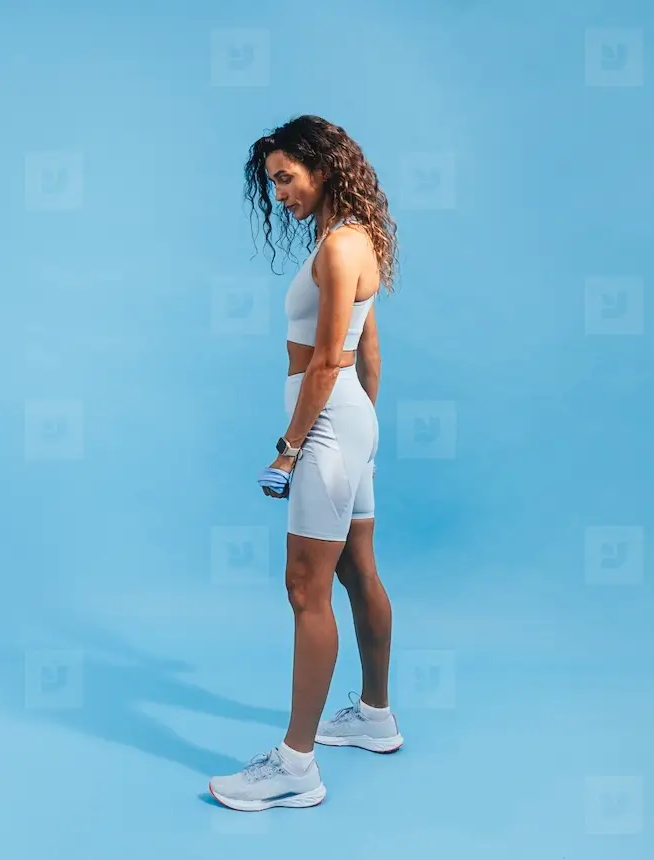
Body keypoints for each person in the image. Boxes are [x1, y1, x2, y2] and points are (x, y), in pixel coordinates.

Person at [208, 116, 403, 812]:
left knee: (304, 586)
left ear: (322, 167)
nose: (280, 192)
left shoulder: (336, 249)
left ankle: (295, 766)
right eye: (273, 182)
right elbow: (367, 355)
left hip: (323, 427)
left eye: (286, 177)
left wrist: (293, 449)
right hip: (351, 422)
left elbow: (326, 361)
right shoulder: (358, 241)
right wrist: (362, 434)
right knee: (357, 570)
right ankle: (375, 716)